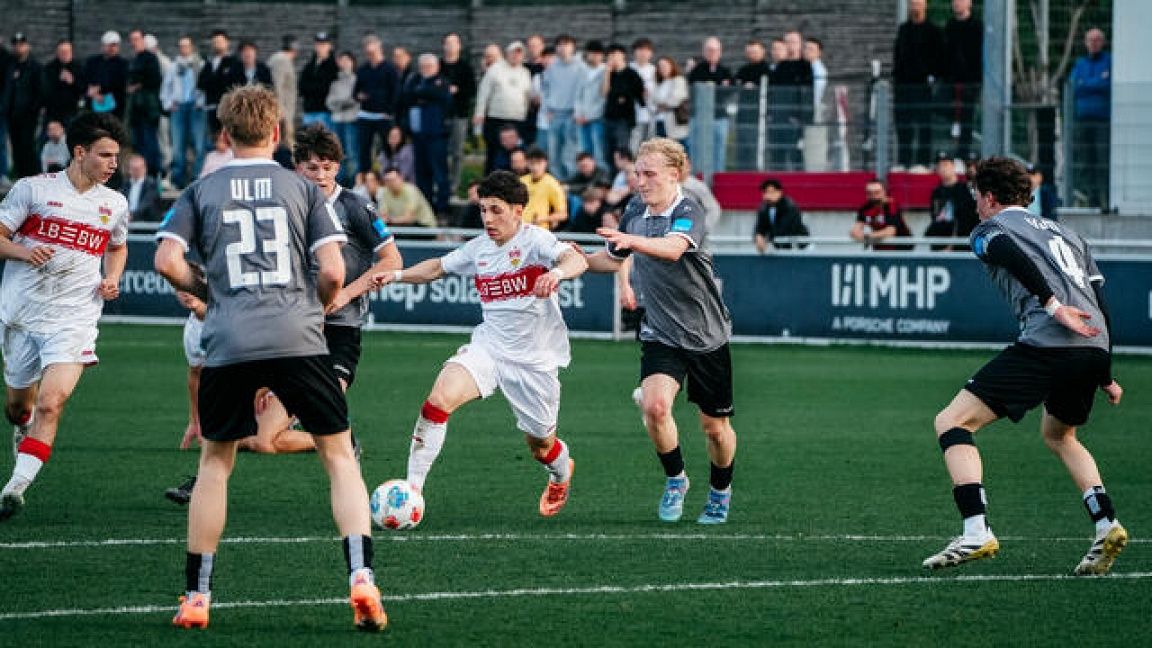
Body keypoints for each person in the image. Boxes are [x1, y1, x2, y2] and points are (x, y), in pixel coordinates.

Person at [153, 85, 386, 631]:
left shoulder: (201, 189)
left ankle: (197, 597)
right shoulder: (302, 188)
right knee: (339, 458)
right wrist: (319, 308)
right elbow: (332, 271)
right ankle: (362, 580)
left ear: (225, 135)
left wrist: (209, 293)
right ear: (277, 133)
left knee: (216, 464)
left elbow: (166, 259)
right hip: (300, 338)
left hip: (230, 339)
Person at [922, 156, 1127, 576]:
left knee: (952, 423)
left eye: (977, 195)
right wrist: (1105, 370)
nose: (976, 204)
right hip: (1091, 346)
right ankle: (1107, 523)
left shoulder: (988, 230)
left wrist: (1053, 308)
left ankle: (976, 529)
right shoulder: (1069, 235)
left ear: (990, 197)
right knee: (1060, 435)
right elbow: (1099, 300)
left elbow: (1005, 250)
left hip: (1047, 342)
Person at [373, 170, 588, 517]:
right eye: (483, 210)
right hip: (488, 348)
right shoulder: (479, 248)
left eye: (496, 210)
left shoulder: (537, 241)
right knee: (438, 400)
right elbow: (436, 268)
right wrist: (396, 275)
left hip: (534, 362)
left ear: (518, 210)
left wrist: (557, 273)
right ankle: (412, 489)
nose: (487, 218)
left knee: (541, 445)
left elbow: (577, 258)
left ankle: (560, 472)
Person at [582, 138, 737, 524]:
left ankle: (720, 491)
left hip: (706, 334)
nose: (641, 181)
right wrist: (571, 261)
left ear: (674, 174)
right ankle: (676, 479)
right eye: (637, 173)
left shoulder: (690, 210)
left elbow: (671, 249)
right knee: (654, 406)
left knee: (715, 429)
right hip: (660, 331)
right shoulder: (635, 209)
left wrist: (629, 241)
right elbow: (610, 258)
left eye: (649, 173)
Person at [0, 111, 129, 521]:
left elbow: (117, 246)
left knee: (51, 404)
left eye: (116, 156)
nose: (113, 163)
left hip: (74, 317)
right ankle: (22, 427)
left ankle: (16, 486)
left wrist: (112, 278)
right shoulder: (33, 190)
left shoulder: (114, 203)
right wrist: (24, 251)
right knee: (19, 408)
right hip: (22, 314)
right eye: (105, 155)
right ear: (79, 152)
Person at [893, 0, 944, 171]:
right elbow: (898, 56)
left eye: (918, 3)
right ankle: (903, 161)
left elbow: (939, 58)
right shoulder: (903, 30)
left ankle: (923, 161)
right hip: (903, 86)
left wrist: (932, 77)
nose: (915, 6)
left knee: (924, 125)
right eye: (912, 3)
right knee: (903, 126)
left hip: (923, 86)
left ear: (925, 5)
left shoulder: (933, 31)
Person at [405, 53, 453, 216]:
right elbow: (406, 95)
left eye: (429, 66)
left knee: (440, 173)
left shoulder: (442, 81)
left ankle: (442, 208)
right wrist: (423, 93)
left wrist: (421, 93)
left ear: (437, 67)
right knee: (422, 174)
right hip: (419, 135)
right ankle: (426, 208)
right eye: (423, 66)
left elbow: (440, 95)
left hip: (437, 135)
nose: (425, 69)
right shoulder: (415, 79)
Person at [473, 41, 531, 174]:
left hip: (518, 119)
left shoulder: (525, 72)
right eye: (513, 53)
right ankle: (489, 184)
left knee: (517, 153)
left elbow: (527, 96)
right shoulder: (495, 69)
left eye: (519, 53)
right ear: (507, 54)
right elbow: (483, 93)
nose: (516, 56)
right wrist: (479, 113)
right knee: (493, 152)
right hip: (496, 118)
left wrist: (526, 113)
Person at [1070, 28, 1111, 210]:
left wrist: (1086, 84)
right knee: (1086, 162)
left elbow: (1107, 85)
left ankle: (1106, 199)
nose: (1094, 43)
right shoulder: (1080, 63)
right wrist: (1097, 83)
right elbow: (1073, 86)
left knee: (1102, 161)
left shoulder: (1109, 61)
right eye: (1090, 40)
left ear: (1102, 42)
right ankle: (1091, 198)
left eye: (1097, 40)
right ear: (1085, 43)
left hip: (1102, 120)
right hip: (1082, 119)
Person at [162, 36, 206, 188]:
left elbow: (205, 86)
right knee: (178, 145)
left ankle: (196, 177)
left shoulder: (200, 64)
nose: (184, 49)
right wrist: (168, 103)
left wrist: (201, 102)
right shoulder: (174, 66)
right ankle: (178, 179)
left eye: (186, 46)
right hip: (179, 106)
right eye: (181, 46)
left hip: (196, 106)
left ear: (192, 47)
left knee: (199, 144)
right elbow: (165, 88)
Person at [354, 35, 400, 177]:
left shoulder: (390, 68)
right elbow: (355, 92)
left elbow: (396, 92)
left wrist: (390, 111)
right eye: (368, 51)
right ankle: (365, 178)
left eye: (373, 50)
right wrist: (359, 96)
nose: (370, 54)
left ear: (379, 48)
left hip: (383, 116)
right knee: (364, 150)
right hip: (366, 115)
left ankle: (390, 176)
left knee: (388, 148)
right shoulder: (363, 69)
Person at [686, 37, 733, 173]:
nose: (712, 53)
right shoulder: (697, 70)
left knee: (719, 147)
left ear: (720, 52)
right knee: (696, 146)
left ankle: (718, 174)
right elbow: (693, 90)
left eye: (715, 50)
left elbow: (728, 92)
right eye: (709, 50)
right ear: (704, 52)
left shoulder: (725, 70)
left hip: (719, 115)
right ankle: (696, 175)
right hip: (699, 116)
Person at [943, 0, 982, 161]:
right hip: (951, 83)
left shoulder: (978, 26)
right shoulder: (949, 26)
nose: (957, 3)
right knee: (950, 117)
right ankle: (948, 155)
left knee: (967, 118)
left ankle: (963, 154)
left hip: (970, 82)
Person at [542, 35, 585, 179]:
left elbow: (583, 91)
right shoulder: (552, 67)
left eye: (566, 44)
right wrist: (547, 110)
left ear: (573, 47)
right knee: (553, 153)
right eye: (560, 45)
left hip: (571, 115)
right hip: (555, 114)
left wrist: (578, 111)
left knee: (570, 153)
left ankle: (571, 184)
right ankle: (558, 183)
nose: (563, 48)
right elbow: (545, 89)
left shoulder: (580, 67)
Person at [440, 32, 476, 193]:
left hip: (459, 115)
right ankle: (441, 182)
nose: (451, 46)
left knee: (457, 152)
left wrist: (457, 90)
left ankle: (454, 183)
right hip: (439, 116)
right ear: (443, 46)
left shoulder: (465, 67)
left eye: (454, 43)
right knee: (440, 151)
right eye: (448, 43)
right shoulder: (438, 66)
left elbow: (472, 90)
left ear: (459, 46)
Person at [4, 33, 43, 180]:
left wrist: (34, 110)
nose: (18, 48)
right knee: (16, 147)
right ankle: (20, 177)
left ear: (27, 46)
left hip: (28, 116)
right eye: (16, 44)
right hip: (12, 114)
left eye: (21, 44)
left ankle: (32, 177)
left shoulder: (35, 67)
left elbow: (40, 92)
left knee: (28, 147)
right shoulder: (10, 66)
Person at [126, 29, 163, 178]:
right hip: (136, 110)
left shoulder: (150, 58)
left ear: (143, 40)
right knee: (138, 143)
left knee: (150, 143)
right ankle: (141, 172)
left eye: (137, 39)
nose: (134, 42)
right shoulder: (134, 59)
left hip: (149, 109)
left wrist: (138, 84)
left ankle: (153, 174)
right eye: (132, 39)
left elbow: (155, 79)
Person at [924, 151, 978, 250]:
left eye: (945, 165)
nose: (943, 169)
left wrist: (951, 246)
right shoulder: (936, 192)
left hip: (960, 246)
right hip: (939, 244)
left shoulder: (965, 190)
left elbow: (964, 220)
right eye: (939, 166)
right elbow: (936, 218)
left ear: (953, 166)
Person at [603, 44, 646, 161]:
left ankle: (625, 175)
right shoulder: (609, 74)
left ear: (622, 55)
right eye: (609, 56)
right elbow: (604, 93)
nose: (612, 58)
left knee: (622, 149)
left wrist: (625, 97)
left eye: (614, 54)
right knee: (608, 151)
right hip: (609, 117)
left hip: (625, 118)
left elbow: (641, 95)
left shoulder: (632, 74)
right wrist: (607, 73)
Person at [197, 30, 244, 135]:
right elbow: (201, 83)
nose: (217, 45)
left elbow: (234, 83)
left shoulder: (234, 62)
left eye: (220, 41)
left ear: (227, 43)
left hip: (229, 107)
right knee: (214, 138)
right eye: (214, 42)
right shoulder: (209, 63)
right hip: (211, 106)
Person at [326, 50, 359, 183]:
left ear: (352, 62)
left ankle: (352, 183)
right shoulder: (335, 83)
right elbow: (329, 102)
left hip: (351, 120)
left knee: (351, 153)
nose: (344, 63)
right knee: (338, 153)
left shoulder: (357, 80)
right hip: (337, 121)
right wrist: (345, 102)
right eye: (342, 60)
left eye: (347, 60)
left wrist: (341, 103)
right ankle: (340, 182)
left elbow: (357, 100)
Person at [574, 40, 607, 170]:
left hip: (598, 118)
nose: (594, 56)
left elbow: (603, 99)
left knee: (599, 149)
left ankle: (601, 177)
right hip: (582, 119)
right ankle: (588, 175)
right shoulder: (582, 71)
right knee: (585, 149)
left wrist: (590, 115)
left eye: (598, 54)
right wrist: (578, 114)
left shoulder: (605, 70)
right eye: (592, 53)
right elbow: (578, 95)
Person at [851, 178, 911, 250]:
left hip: (900, 249)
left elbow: (890, 232)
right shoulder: (865, 208)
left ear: (884, 192)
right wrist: (857, 234)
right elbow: (856, 229)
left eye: (877, 192)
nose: (873, 196)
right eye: (869, 193)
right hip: (879, 247)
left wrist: (867, 236)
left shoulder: (891, 206)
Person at [754, 178, 807, 252]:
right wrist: (758, 236)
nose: (768, 195)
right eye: (765, 192)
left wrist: (765, 239)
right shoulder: (763, 208)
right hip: (778, 247)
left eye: (771, 192)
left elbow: (783, 230)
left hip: (798, 247)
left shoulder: (790, 207)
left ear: (780, 192)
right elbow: (759, 227)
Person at [84, 31, 129, 119]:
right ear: (103, 46)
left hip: (115, 107)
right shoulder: (92, 62)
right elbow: (85, 79)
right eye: (109, 45)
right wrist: (92, 92)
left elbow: (120, 83)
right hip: (93, 105)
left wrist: (100, 88)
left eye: (114, 45)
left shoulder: (123, 64)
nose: (112, 48)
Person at [520, 147, 567, 230]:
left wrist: (542, 219)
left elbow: (563, 214)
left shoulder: (552, 184)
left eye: (539, 163)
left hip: (539, 231)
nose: (535, 167)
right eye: (532, 163)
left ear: (545, 163)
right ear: (527, 163)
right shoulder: (521, 181)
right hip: (519, 229)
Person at [41, 39, 84, 126]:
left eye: (67, 52)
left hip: (71, 111)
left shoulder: (79, 67)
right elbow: (45, 89)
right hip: (52, 111)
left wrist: (72, 81)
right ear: (57, 53)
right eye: (62, 52)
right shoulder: (50, 68)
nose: (65, 54)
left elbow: (83, 88)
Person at [267, 35, 298, 146]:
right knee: (285, 143)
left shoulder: (281, 59)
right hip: (282, 111)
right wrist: (279, 110)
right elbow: (277, 86)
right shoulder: (281, 60)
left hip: (284, 109)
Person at [652, 56, 689, 144]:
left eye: (665, 66)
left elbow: (675, 100)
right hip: (660, 122)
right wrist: (662, 104)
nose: (663, 69)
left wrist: (662, 105)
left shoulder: (678, 80)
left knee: (677, 152)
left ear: (671, 66)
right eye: (660, 67)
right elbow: (653, 101)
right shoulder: (659, 83)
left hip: (674, 122)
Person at [120, 154, 163, 222]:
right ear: (129, 170)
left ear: (145, 169)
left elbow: (146, 203)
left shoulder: (152, 184)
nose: (137, 172)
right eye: (134, 169)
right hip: (127, 221)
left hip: (146, 221)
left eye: (139, 169)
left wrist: (132, 215)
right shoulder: (126, 185)